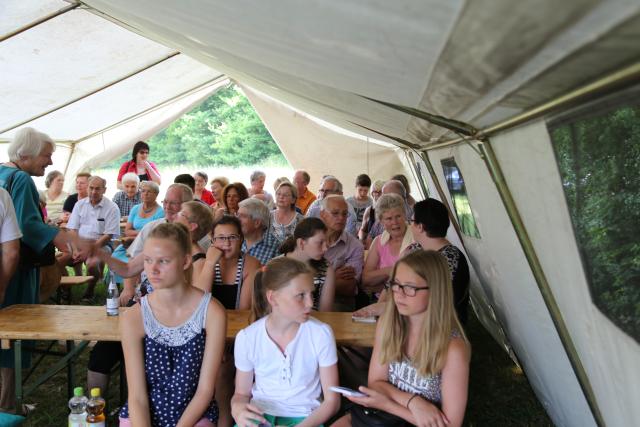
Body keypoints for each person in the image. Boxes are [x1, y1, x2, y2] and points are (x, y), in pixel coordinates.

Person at [334, 251, 470, 427]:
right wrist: (413, 402)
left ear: (436, 290)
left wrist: (388, 403)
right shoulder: (389, 323)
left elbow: (450, 424)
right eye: (396, 284)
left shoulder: (452, 349)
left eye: (410, 287)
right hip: (380, 416)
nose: (399, 293)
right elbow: (375, 383)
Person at [84, 183, 194, 399]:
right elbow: (129, 266)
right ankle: (94, 408)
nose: (169, 207)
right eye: (167, 202)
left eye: (175, 203)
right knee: (102, 352)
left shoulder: (197, 240)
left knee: (139, 352)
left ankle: (135, 405)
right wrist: (128, 288)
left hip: (175, 312)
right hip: (143, 303)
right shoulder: (153, 229)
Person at [0, 127, 79, 412]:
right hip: (16, 270)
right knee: (16, 334)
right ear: (24, 154)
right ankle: (8, 403)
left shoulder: (1, 173)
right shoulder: (20, 179)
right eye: (46, 155)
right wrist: (63, 239)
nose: (49, 162)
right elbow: (28, 225)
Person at [119, 222, 226, 427]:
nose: (153, 269)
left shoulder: (211, 312)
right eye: (148, 260)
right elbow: (137, 395)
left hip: (194, 414)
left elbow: (205, 390)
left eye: (164, 261)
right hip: (144, 414)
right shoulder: (134, 316)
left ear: (186, 261)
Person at [231, 257, 340, 427]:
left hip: (307, 418)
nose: (310, 303)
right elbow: (241, 394)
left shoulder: (320, 334)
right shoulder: (247, 337)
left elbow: (332, 401)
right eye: (300, 296)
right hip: (260, 416)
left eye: (312, 293)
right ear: (273, 298)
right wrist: (237, 409)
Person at [354, 198, 470, 325]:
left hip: (438, 329)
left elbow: (435, 305)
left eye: (412, 221)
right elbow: (390, 285)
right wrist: (378, 314)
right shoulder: (415, 249)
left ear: (420, 227)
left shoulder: (449, 259)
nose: (409, 224)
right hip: (406, 320)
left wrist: (385, 309)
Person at [195, 215, 260, 427]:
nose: (226, 243)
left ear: (241, 239)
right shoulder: (203, 265)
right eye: (220, 238)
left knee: (222, 372)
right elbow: (199, 306)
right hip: (204, 333)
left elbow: (243, 313)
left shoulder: (251, 265)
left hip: (237, 336)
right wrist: (211, 263)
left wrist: (223, 344)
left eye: (232, 237)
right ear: (211, 240)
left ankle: (223, 421)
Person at [67, 176, 120, 301]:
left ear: (104, 190)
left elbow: (109, 235)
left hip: (101, 244)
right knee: (59, 260)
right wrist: (75, 249)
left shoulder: (112, 207)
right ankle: (64, 290)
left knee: (91, 264)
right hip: (79, 243)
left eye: (97, 189)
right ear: (87, 188)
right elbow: (72, 229)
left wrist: (90, 249)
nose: (94, 192)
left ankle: (89, 290)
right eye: (91, 188)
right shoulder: (79, 205)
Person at [111, 180, 163, 294]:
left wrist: (140, 233)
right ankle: (117, 288)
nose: (145, 194)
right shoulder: (135, 208)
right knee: (115, 257)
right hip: (129, 243)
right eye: (143, 191)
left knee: (130, 260)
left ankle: (133, 290)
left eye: (149, 192)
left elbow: (155, 234)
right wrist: (144, 231)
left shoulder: (160, 212)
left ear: (156, 194)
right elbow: (127, 230)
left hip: (147, 246)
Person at [361, 194, 414, 304]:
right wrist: (391, 270)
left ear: (405, 215)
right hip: (379, 301)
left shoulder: (416, 239)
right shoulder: (378, 241)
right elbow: (366, 279)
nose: (395, 222)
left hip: (410, 301)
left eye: (398, 216)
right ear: (381, 221)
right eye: (389, 218)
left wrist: (380, 279)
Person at [279, 217, 336, 311]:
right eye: (320, 243)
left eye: (326, 242)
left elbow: (326, 312)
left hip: (314, 322)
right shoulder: (276, 266)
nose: (325, 248)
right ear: (301, 243)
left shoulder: (326, 269)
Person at [319, 195, 364, 311]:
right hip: (308, 301)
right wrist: (333, 276)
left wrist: (314, 279)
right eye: (335, 213)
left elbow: (348, 287)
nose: (341, 218)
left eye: (345, 214)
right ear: (322, 214)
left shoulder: (355, 246)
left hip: (339, 305)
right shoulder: (310, 240)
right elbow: (298, 276)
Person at [174, 201, 214, 280]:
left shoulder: (199, 262)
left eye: (181, 214)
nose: (175, 215)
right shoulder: (177, 248)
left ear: (192, 226)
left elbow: (198, 291)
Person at [237, 198, 279, 265]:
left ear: (257, 223)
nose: (237, 219)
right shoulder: (233, 240)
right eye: (237, 215)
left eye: (243, 216)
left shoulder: (275, 247)